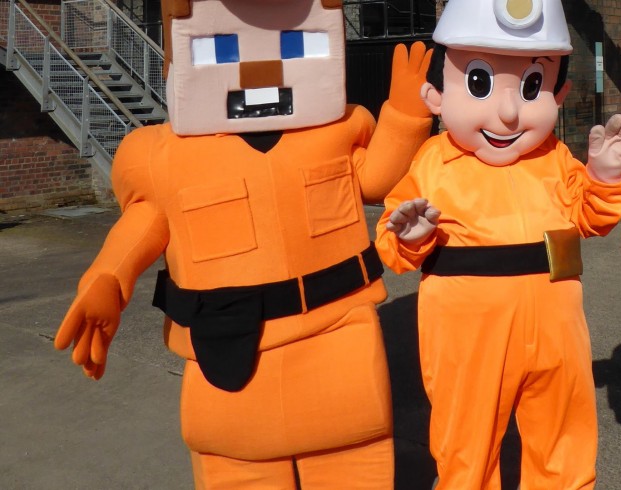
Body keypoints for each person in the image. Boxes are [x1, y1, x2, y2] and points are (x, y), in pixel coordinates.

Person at [52, 0, 433, 487]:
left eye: (294, 45)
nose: (260, 70)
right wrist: (107, 277)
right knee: (239, 468)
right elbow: (145, 220)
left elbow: (376, 180)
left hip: (338, 350)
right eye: (221, 49)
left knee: (353, 462)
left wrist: (403, 114)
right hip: (229, 360)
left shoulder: (338, 132)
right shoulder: (164, 158)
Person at [374, 0, 621, 488]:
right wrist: (410, 237)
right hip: (467, 339)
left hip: (556, 334)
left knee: (563, 446)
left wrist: (603, 178)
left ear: (557, 92)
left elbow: (590, 219)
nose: (507, 111)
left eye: (531, 86)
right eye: (479, 83)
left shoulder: (555, 156)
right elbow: (391, 244)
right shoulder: (434, 161)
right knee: (467, 450)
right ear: (436, 95)